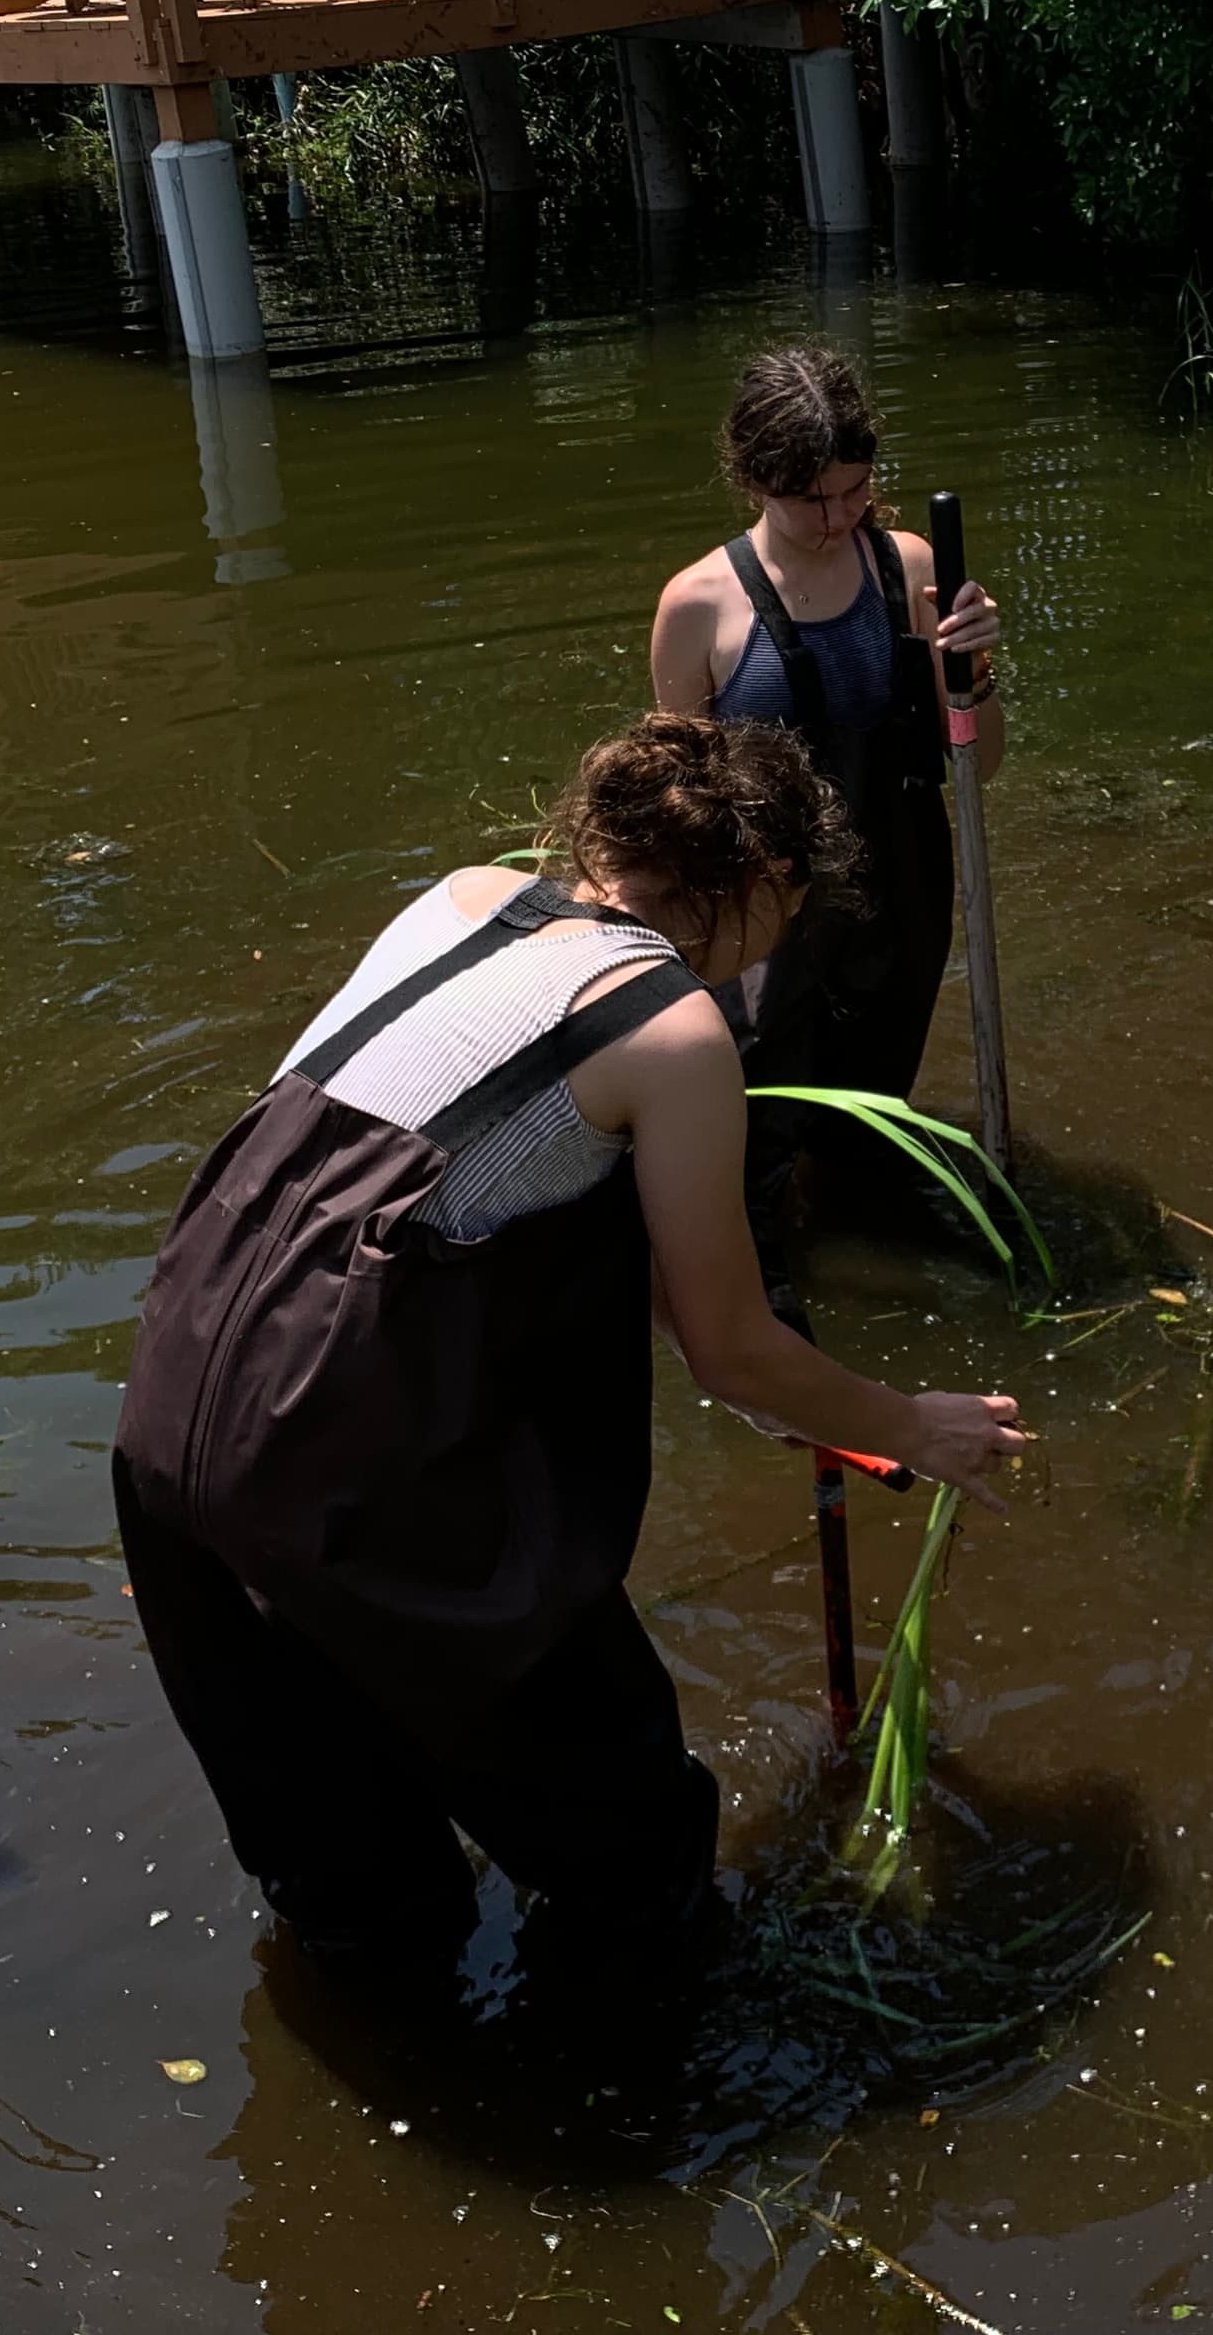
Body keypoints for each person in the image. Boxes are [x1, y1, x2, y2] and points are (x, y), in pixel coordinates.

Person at [113, 713, 1028, 1999]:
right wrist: (906, 1422)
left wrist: (791, 1384)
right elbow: (728, 1350)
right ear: (763, 886)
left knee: (357, 1884)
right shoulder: (673, 1031)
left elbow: (506, 1200)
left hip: (174, 1408)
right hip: (341, 1452)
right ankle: (624, 2131)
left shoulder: (463, 899)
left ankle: (391, 2103)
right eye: (791, 912)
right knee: (631, 1848)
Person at [647, 348, 1001, 1294]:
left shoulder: (912, 572)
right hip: (766, 899)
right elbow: (674, 801)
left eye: (856, 490)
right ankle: (755, 1272)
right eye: (815, 500)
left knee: (874, 1089)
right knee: (760, 1096)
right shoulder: (698, 607)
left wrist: (975, 666)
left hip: (905, 875)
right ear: (757, 479)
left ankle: (860, 1228)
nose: (842, 517)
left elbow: (981, 759)